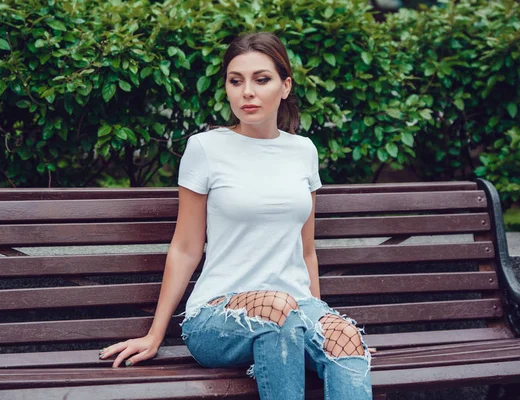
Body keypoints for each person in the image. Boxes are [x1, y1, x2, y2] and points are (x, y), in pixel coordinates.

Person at [99, 31, 373, 399]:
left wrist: (321, 323)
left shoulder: (304, 151)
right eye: (236, 81)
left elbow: (306, 251)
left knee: (344, 336)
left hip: (293, 308)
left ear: (285, 86)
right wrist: (155, 333)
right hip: (217, 315)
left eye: (262, 80)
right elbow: (185, 248)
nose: (247, 92)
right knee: (278, 313)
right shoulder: (206, 148)